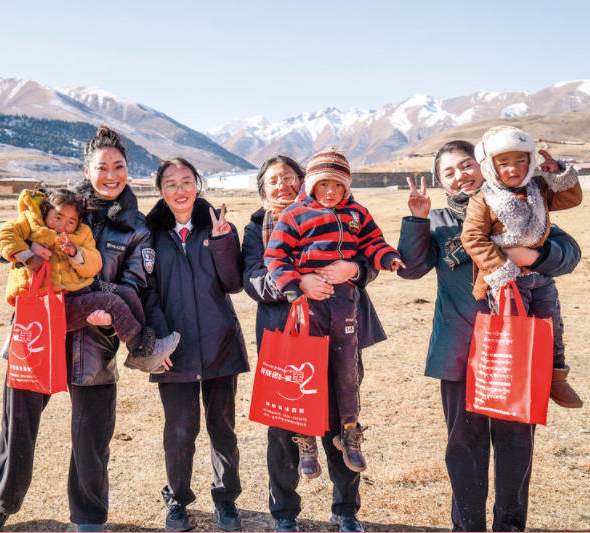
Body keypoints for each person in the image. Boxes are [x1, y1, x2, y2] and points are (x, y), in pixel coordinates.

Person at [0, 126, 169, 532]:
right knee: (18, 426)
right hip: (37, 331)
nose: (111, 175)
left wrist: (109, 309)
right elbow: (10, 239)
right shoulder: (57, 206)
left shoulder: (136, 227)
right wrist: (20, 254)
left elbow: (138, 282)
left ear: (128, 171)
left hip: (96, 341)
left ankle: (89, 519)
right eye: (103, 167)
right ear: (87, 168)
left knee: (91, 438)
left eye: (119, 167)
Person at [397, 140, 582, 531]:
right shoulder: (438, 223)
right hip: (461, 353)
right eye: (449, 172)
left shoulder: (518, 209)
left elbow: (570, 251)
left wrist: (536, 257)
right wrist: (417, 219)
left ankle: (510, 527)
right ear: (441, 183)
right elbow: (411, 270)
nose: (460, 176)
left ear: (483, 166)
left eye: (466, 166)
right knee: (464, 446)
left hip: (517, 351)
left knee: (517, 445)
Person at [243, 155, 386, 532]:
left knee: (342, 414)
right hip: (284, 335)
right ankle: (285, 511)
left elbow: (365, 257)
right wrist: (300, 282)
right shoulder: (256, 227)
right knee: (285, 424)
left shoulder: (341, 213)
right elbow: (254, 280)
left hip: (341, 328)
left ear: (305, 182)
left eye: (290, 178)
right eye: (274, 181)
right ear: (262, 190)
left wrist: (354, 269)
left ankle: (346, 510)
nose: (283, 186)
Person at [264, 148, 403, 476]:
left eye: (338, 186)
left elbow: (374, 243)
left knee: (347, 370)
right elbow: (275, 257)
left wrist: (388, 258)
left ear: (347, 187)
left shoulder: (357, 213)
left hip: (345, 302)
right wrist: (296, 285)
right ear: (311, 185)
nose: (330, 192)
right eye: (323, 184)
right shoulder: (294, 215)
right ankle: (307, 438)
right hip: (307, 306)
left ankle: (349, 432)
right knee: (304, 369)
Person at [143, 157, 248, 532]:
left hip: (220, 343)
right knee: (180, 430)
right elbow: (147, 292)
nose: (180, 190)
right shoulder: (149, 233)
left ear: (197, 185)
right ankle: (177, 501)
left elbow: (234, 283)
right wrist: (158, 343)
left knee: (223, 428)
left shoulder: (218, 226)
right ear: (160, 191)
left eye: (187, 181)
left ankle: (226, 501)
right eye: (170, 184)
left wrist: (223, 242)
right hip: (175, 350)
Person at [460, 126, 583, 408]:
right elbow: (472, 237)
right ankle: (514, 382)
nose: (513, 169)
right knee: (512, 332)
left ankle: (556, 379)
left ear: (531, 162)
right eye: (503, 163)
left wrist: (557, 173)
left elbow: (569, 198)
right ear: (490, 166)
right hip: (508, 280)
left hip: (541, 276)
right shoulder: (484, 199)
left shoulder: (538, 189)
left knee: (552, 327)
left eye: (520, 161)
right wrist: (502, 268)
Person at [0, 187, 179, 371]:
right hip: (50, 305)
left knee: (125, 293)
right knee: (110, 301)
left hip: (77, 290)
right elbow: (3, 237)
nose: (63, 226)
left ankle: (146, 346)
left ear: (79, 221)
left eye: (70, 222)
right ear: (45, 211)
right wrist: (28, 252)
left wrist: (75, 253)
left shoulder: (80, 235)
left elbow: (95, 265)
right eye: (57, 218)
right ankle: (142, 352)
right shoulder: (29, 224)